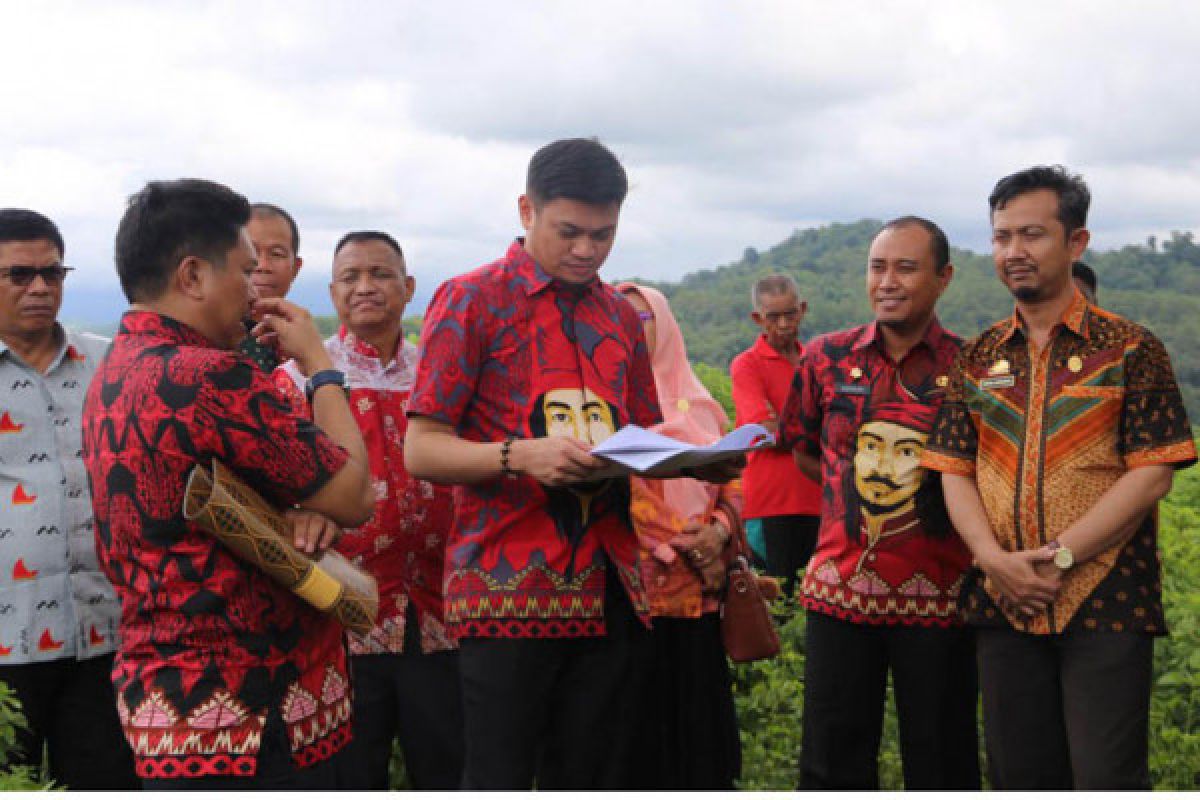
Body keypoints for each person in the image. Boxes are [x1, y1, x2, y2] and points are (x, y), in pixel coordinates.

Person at [404, 138, 737, 790]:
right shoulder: (470, 300)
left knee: (598, 776)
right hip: (506, 590)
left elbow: (638, 442)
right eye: (570, 232)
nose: (587, 249)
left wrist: (697, 463)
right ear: (527, 210)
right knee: (500, 777)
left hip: (612, 586)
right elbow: (422, 448)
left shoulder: (619, 315)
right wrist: (517, 456)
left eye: (603, 234)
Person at [82, 179, 375, 789]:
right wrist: (322, 369)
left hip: (165, 704)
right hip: (257, 708)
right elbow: (352, 496)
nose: (253, 287)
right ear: (192, 276)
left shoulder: (114, 368)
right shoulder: (209, 377)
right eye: (244, 270)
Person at [922, 165, 1197, 789]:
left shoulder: (1130, 348)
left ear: (1076, 242)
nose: (1013, 252)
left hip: (1105, 601)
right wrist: (994, 562)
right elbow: (953, 471)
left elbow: (1152, 473)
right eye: (1000, 237)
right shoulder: (978, 355)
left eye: (1032, 234)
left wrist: (1059, 559)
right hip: (1004, 600)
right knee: (1020, 776)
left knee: (1106, 776)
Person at [778, 216, 980, 789]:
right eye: (878, 267)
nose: (887, 281)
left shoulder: (972, 368)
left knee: (943, 757)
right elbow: (808, 451)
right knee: (831, 759)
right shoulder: (825, 358)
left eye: (906, 268)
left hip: (941, 598)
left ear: (943, 278)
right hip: (838, 594)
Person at [275, 231, 463, 789]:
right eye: (350, 277)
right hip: (341, 615)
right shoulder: (296, 380)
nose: (365, 287)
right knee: (347, 775)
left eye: (380, 275)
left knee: (450, 768)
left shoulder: (441, 373)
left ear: (407, 289)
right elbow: (271, 486)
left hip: (442, 612)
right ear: (332, 293)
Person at [0, 209, 138, 789]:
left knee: (107, 781)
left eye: (52, 273)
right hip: (7, 644)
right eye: (19, 274)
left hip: (106, 632)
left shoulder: (111, 363)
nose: (39, 287)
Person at [616, 282, 742, 789]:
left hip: (699, 598)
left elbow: (734, 477)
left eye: (642, 321)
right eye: (619, 320)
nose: (632, 332)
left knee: (698, 738)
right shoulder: (601, 404)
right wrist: (671, 540)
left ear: (664, 327)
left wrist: (717, 531)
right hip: (629, 600)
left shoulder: (700, 405)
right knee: (635, 739)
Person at [730, 274, 822, 595]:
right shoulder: (747, 364)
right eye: (774, 317)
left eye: (790, 314)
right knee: (776, 602)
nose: (783, 324)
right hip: (770, 503)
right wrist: (816, 431)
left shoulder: (816, 361)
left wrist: (785, 426)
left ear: (803, 310)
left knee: (815, 600)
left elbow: (779, 429)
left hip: (819, 498)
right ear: (758, 319)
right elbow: (762, 432)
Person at [241, 203, 304, 371]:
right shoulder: (204, 339)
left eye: (277, 254)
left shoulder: (305, 342)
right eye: (252, 251)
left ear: (296, 268)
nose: (263, 265)